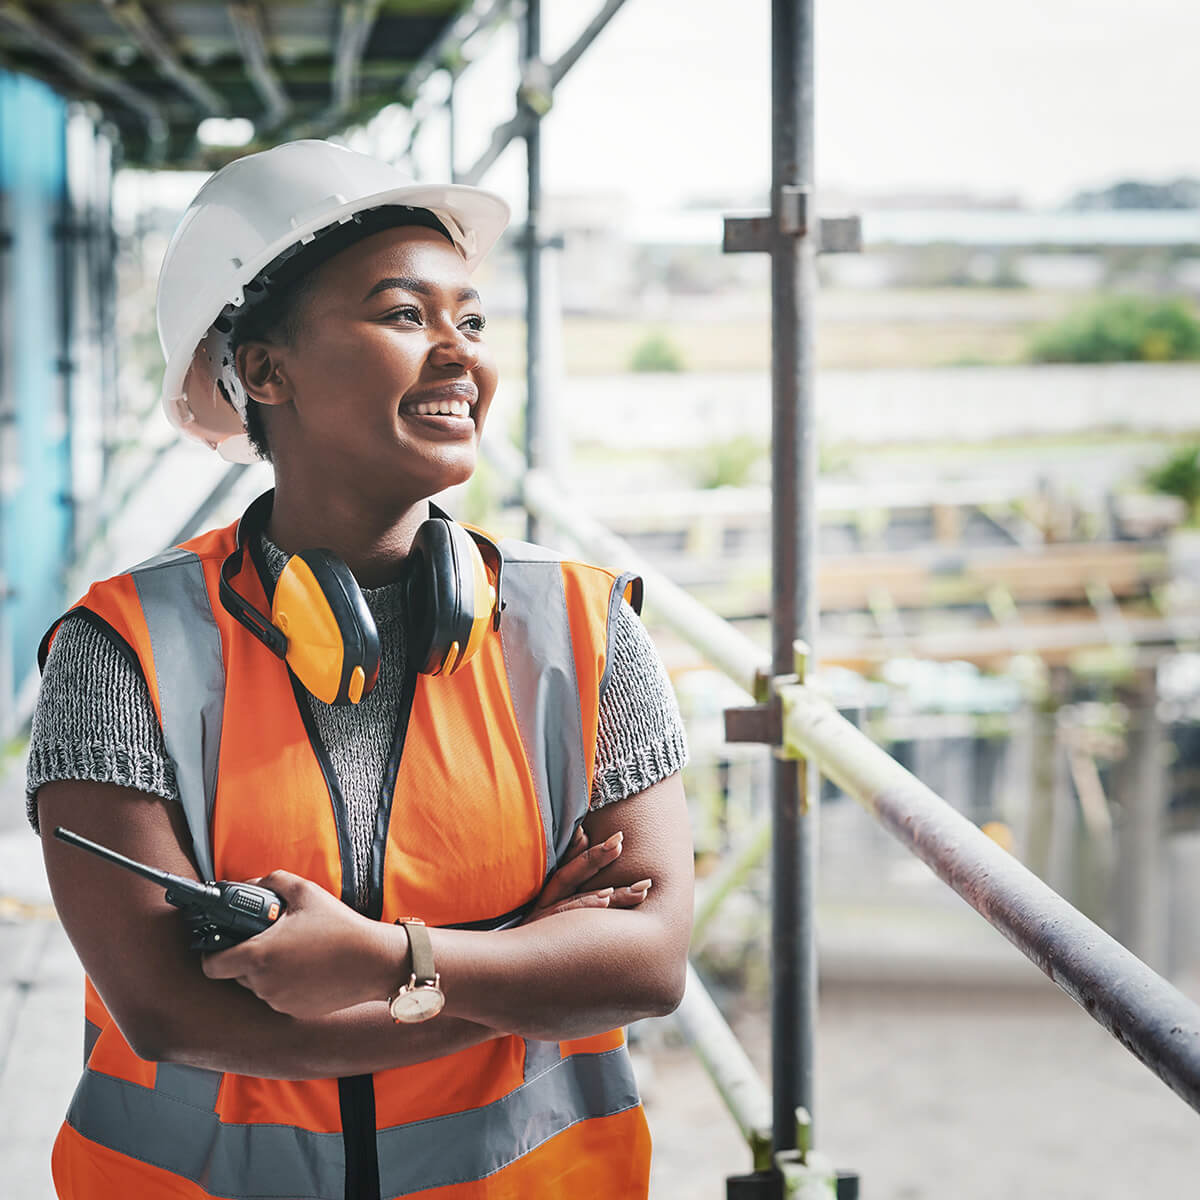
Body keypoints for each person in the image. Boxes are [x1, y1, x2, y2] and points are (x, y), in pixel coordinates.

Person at [28, 139, 693, 1200]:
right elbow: (171, 1014)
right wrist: (524, 964)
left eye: (469, 319)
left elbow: (648, 966)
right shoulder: (121, 654)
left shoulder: (585, 630)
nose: (457, 352)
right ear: (265, 369)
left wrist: (388, 961)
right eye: (402, 313)